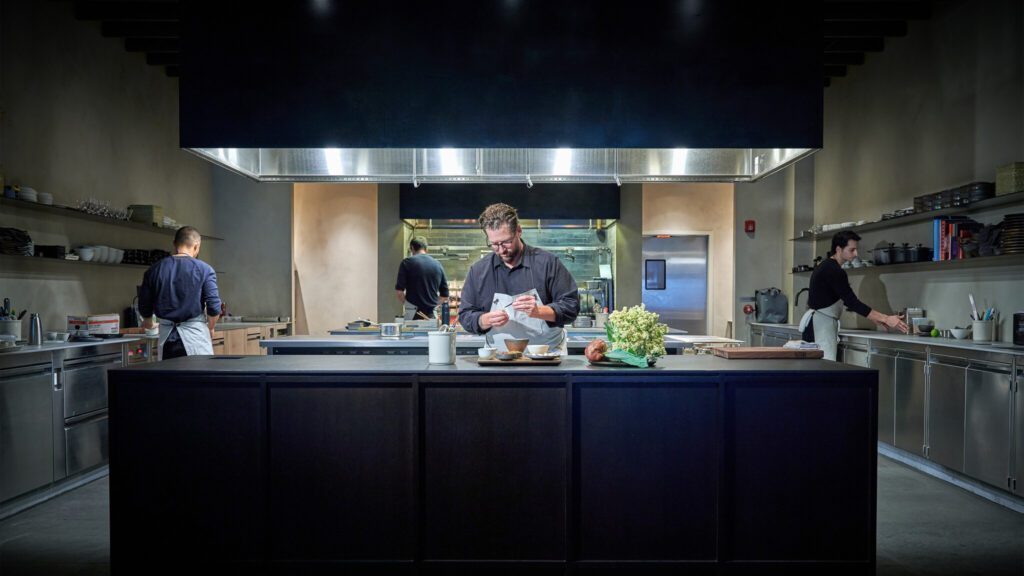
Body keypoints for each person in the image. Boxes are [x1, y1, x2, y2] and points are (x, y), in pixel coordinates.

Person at [458, 203, 580, 353]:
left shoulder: (548, 263)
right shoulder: (479, 271)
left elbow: (571, 306)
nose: (501, 250)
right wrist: (484, 320)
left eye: (506, 242)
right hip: (498, 357)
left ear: (519, 231)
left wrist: (539, 311)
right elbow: (465, 315)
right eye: (494, 244)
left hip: (547, 355)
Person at [799, 230, 908, 360]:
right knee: (822, 371)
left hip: (817, 323)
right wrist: (885, 318)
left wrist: (875, 318)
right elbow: (852, 302)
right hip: (820, 326)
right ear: (839, 249)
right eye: (852, 250)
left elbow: (847, 301)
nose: (856, 254)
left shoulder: (826, 265)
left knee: (818, 371)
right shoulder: (835, 271)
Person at [139, 226, 222, 359]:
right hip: (195, 338)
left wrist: (148, 322)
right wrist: (211, 327)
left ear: (174, 244)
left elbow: (144, 305)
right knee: (197, 378)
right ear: (196, 246)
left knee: (169, 379)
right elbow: (214, 306)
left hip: (167, 340)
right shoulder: (205, 270)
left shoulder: (154, 270)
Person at [395, 236, 449, 319]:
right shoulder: (437, 264)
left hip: (412, 315)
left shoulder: (406, 263)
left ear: (412, 248)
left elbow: (399, 292)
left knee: (410, 332)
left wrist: (409, 306)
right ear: (426, 249)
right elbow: (445, 296)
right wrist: (433, 306)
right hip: (431, 316)